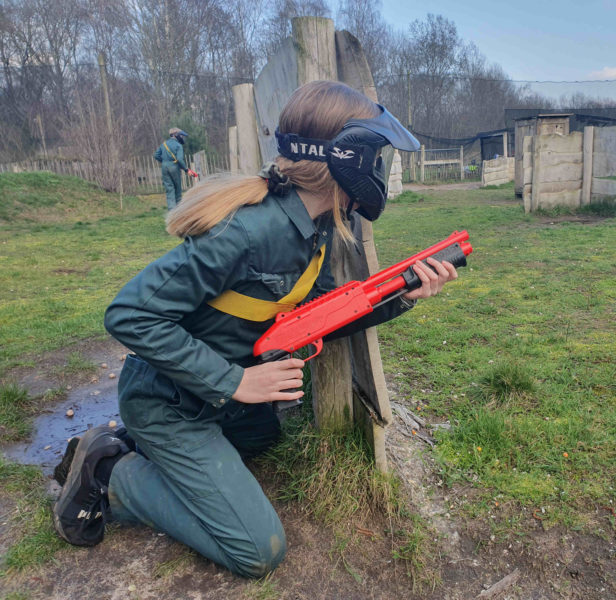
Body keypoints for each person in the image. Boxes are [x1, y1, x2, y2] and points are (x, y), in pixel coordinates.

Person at [52, 80, 459, 578]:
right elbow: (129, 315)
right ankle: (111, 472)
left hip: (217, 402)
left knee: (265, 445)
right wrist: (237, 383)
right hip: (170, 403)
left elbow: (323, 315)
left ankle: (133, 447)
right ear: (345, 159)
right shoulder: (247, 230)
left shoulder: (319, 226)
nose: (378, 168)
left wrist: (403, 293)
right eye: (374, 154)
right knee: (257, 549)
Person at [153, 127, 198, 209]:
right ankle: (178, 211)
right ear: (176, 135)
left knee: (169, 190)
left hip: (164, 167)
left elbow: (156, 155)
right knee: (177, 190)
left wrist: (165, 162)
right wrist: (186, 170)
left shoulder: (164, 144)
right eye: (181, 135)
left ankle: (171, 211)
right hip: (174, 167)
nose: (182, 137)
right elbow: (179, 159)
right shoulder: (178, 145)